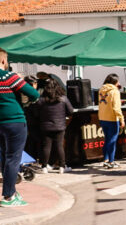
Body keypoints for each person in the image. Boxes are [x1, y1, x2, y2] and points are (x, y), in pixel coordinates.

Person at [0, 50, 39, 207]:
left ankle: (12, 192)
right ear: (3, 61)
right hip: (14, 121)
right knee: (13, 158)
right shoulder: (10, 77)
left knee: (4, 157)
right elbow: (34, 94)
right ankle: (8, 196)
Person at [36, 79, 73, 173]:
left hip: (45, 126)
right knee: (59, 146)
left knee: (46, 147)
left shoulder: (41, 99)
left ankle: (44, 167)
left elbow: (37, 113)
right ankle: (62, 167)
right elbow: (71, 111)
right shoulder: (63, 98)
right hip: (59, 126)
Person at [98, 74, 125, 169]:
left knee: (107, 139)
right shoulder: (114, 91)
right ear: (115, 82)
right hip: (112, 119)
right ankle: (111, 161)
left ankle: (105, 160)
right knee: (112, 141)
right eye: (118, 81)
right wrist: (122, 119)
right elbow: (117, 108)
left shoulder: (101, 89)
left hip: (102, 118)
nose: (119, 83)